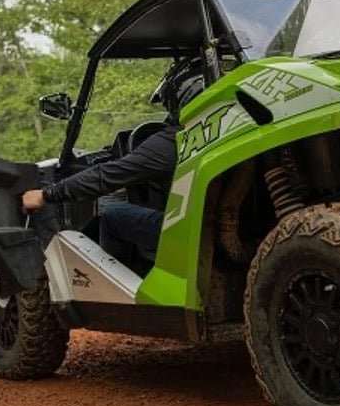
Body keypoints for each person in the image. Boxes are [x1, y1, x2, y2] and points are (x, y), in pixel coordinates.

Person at [22, 58, 204, 266]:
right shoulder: (225, 127)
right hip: (216, 230)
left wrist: (46, 194)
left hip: (189, 233)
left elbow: (107, 175)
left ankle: (115, 297)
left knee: (112, 216)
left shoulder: (175, 139)